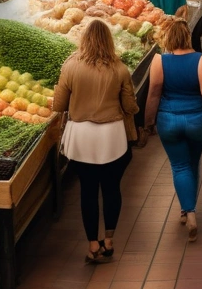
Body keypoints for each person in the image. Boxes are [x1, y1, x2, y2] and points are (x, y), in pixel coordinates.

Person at [53, 21, 138, 264]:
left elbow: (58, 105)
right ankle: (109, 241)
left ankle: (92, 244)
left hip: (81, 138)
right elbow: (130, 106)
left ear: (85, 40)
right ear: (109, 41)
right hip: (112, 137)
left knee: (88, 192)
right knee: (112, 189)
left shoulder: (70, 67)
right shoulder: (120, 68)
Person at [142, 19, 202, 241]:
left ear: (167, 38)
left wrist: (149, 122)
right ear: (187, 37)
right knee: (192, 162)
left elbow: (154, 94)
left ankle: (189, 211)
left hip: (169, 121)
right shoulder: (201, 60)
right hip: (198, 121)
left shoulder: (159, 61)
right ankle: (188, 208)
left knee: (180, 166)